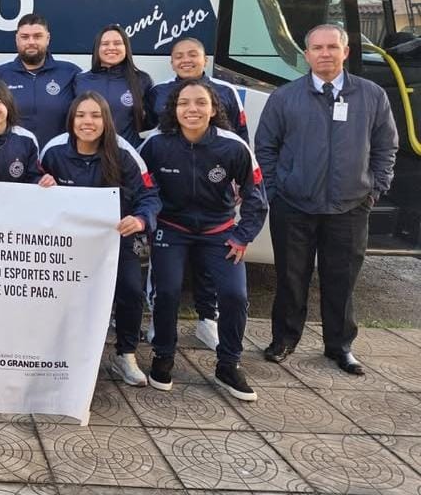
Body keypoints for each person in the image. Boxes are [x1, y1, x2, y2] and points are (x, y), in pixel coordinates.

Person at [256, 24, 397, 376]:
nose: (325, 54)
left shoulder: (372, 95)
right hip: (293, 205)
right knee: (291, 278)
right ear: (306, 55)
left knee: (342, 280)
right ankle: (284, 340)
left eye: (332, 47)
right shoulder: (284, 97)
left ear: (345, 52)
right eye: (317, 48)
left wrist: (374, 190)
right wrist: (276, 191)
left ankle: (340, 346)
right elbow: (266, 148)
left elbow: (386, 147)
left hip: (350, 206)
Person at [139, 80, 268, 401]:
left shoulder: (233, 146)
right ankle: (163, 356)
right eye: (184, 103)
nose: (192, 109)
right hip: (171, 229)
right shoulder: (156, 144)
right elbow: (138, 186)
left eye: (200, 103)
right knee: (167, 292)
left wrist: (242, 235)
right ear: (174, 109)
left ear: (213, 109)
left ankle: (228, 364)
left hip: (219, 232)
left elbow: (256, 195)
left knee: (234, 295)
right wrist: (144, 223)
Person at [39, 91, 161, 387]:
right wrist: (41, 183)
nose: (87, 122)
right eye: (81, 115)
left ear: (106, 120)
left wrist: (140, 219)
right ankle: (55, 350)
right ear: (71, 120)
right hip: (68, 243)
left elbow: (149, 195)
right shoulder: (53, 151)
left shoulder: (124, 153)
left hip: (115, 239)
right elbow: (34, 186)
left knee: (131, 290)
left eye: (95, 115)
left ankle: (125, 354)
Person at [145, 36, 249, 351]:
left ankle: (207, 320)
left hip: (214, 198)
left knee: (210, 269)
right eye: (179, 55)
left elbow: (241, 139)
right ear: (171, 61)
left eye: (193, 54)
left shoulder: (227, 91)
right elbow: (150, 136)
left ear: (205, 59)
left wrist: (240, 181)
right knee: (166, 281)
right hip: (173, 204)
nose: (186, 60)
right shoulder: (158, 92)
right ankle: (160, 323)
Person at [0, 14, 79, 146]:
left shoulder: (70, 73)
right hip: (14, 155)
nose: (31, 42)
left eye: (37, 36)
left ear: (47, 38)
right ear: (17, 39)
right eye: (25, 37)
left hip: (57, 155)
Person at [75, 25, 152, 147]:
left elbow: (150, 120)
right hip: (90, 152)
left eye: (117, 43)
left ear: (126, 47)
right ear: (97, 48)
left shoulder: (142, 80)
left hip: (127, 152)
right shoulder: (81, 80)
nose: (111, 47)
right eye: (105, 44)